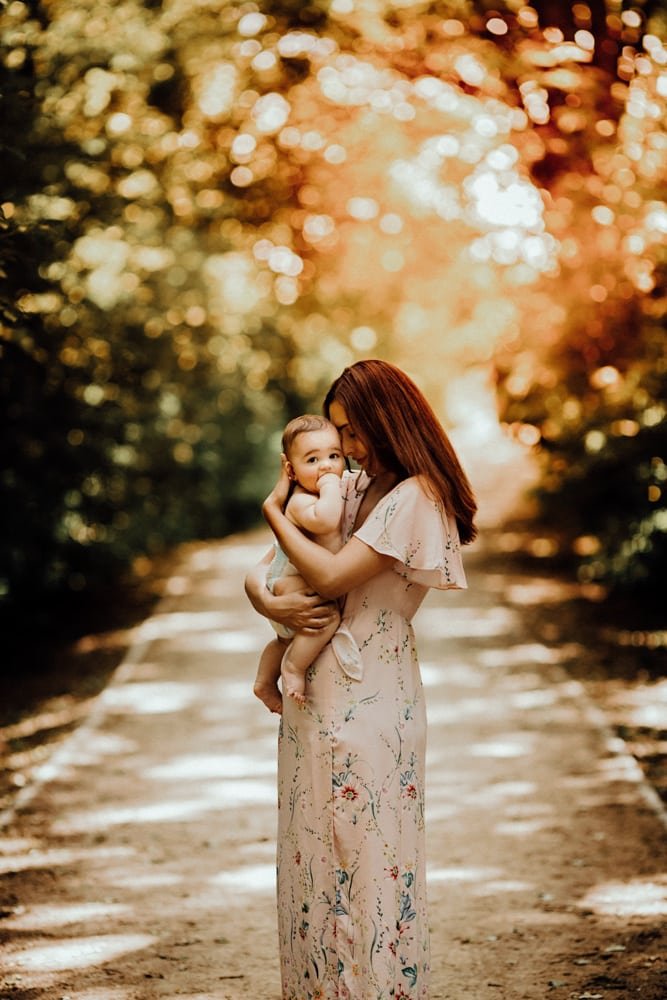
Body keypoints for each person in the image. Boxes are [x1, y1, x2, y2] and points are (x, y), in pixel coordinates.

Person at [245, 359, 477, 1000]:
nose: (346, 447)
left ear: (387, 420)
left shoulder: (415, 496)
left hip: (374, 693)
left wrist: (272, 511)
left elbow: (327, 577)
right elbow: (268, 574)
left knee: (373, 857)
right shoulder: (350, 488)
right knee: (314, 855)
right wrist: (268, 605)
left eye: (353, 430)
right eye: (339, 433)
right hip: (314, 695)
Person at [253, 414, 346, 712]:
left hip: (285, 579)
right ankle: (292, 668)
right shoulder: (301, 501)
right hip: (288, 579)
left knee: (283, 638)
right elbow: (327, 519)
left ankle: (264, 682)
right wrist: (332, 485)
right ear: (291, 471)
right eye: (313, 460)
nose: (326, 466)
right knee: (326, 618)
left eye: (334, 456)